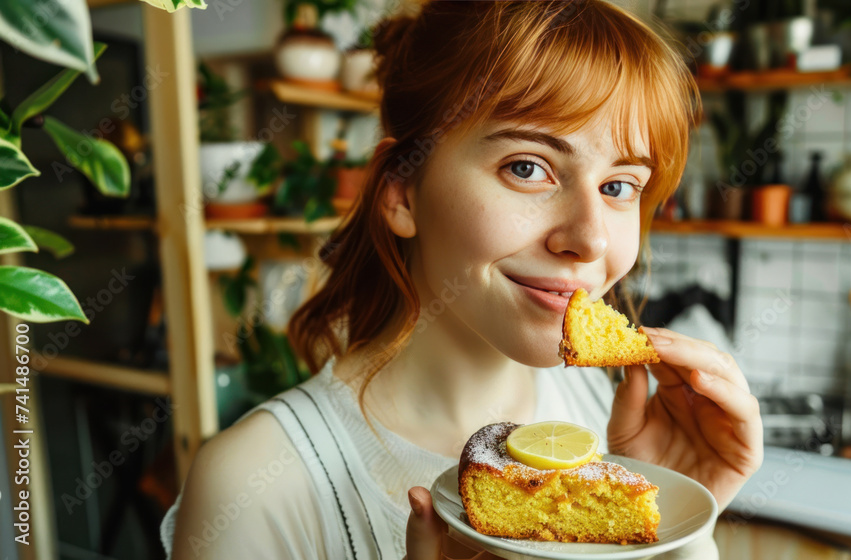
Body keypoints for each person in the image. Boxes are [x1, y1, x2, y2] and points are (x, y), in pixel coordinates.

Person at [160, 0, 764, 558]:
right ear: (401, 191)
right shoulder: (253, 488)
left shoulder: (598, 413)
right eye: (528, 168)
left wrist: (676, 527)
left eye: (618, 187)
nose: (591, 239)